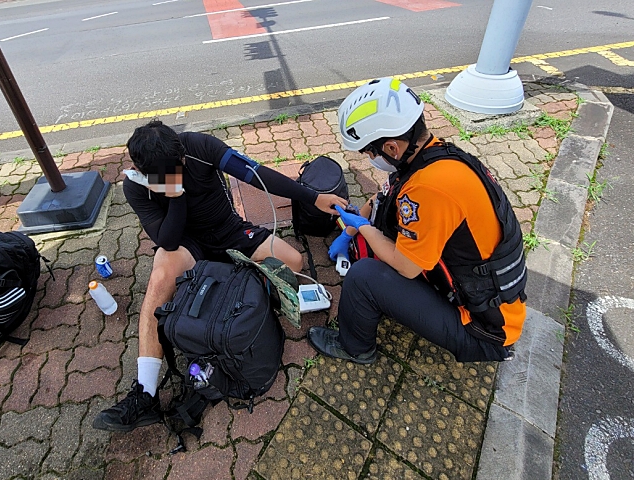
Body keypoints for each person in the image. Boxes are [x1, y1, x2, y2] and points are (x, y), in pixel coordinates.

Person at [93, 120, 347, 432]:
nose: (181, 168)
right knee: (159, 279)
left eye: (180, 162)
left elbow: (254, 173)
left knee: (293, 261)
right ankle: (145, 393)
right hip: (188, 244)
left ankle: (234, 285)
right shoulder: (136, 186)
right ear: (142, 170)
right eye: (172, 170)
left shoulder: (199, 146)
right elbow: (167, 240)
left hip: (230, 231)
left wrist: (311, 196)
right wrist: (174, 195)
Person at [307, 77, 527, 365]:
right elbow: (384, 198)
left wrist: (364, 229)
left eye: (369, 152)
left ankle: (355, 347)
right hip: (487, 300)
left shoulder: (428, 188)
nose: (369, 158)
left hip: (484, 329)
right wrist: (350, 229)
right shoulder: (433, 157)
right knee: (381, 235)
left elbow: (407, 267)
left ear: (392, 148)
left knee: (363, 276)